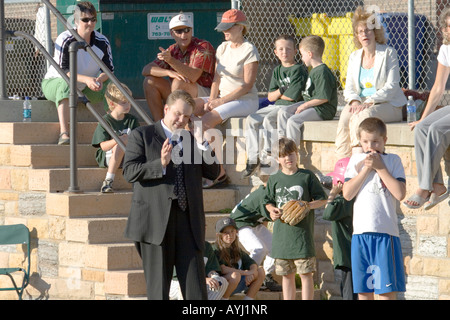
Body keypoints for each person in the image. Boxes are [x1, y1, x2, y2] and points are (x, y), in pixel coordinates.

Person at [122, 90, 220, 300]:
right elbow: (129, 171)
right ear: (166, 109)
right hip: (156, 223)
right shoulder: (143, 135)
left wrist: (202, 142)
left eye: (186, 116)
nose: (181, 120)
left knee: (196, 291)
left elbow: (213, 173)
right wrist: (161, 164)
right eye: (177, 114)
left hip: (188, 222)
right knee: (159, 292)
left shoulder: (191, 139)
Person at [194, 9, 260, 188]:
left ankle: (215, 172)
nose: (224, 31)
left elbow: (247, 85)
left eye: (228, 27)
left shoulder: (249, 49)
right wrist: (210, 101)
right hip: (223, 98)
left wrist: (220, 102)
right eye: (223, 27)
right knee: (188, 108)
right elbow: (216, 79)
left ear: (240, 27)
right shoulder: (222, 48)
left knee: (205, 122)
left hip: (245, 100)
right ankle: (208, 168)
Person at [343, 117, 406, 300]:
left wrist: (380, 168)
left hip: (385, 234)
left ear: (384, 140)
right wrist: (365, 169)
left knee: (385, 291)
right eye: (365, 142)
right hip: (361, 235)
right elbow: (347, 194)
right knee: (364, 291)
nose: (370, 146)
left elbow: (400, 193)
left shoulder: (393, 161)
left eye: (375, 141)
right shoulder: (356, 161)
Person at [335, 6, 406, 159]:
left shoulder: (388, 53)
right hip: (360, 103)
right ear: (357, 35)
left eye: (368, 30)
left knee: (362, 117)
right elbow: (349, 88)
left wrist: (369, 101)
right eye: (360, 31)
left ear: (375, 32)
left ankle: (357, 158)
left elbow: (392, 86)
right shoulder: (354, 56)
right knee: (344, 117)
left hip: (388, 105)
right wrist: (354, 101)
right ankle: (341, 164)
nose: (364, 34)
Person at [42, 1, 114, 145]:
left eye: (93, 19)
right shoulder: (65, 39)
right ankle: (64, 133)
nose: (90, 23)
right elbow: (63, 71)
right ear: (75, 21)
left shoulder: (102, 41)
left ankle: (113, 130)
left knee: (112, 86)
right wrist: (87, 79)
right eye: (85, 20)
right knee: (66, 82)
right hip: (54, 83)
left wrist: (99, 79)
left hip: (85, 87)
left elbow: (109, 70)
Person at [264, 137, 327, 300]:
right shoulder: (274, 178)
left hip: (302, 238)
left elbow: (322, 199)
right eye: (283, 155)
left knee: (306, 275)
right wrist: (272, 211)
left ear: (296, 154)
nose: (288, 158)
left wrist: (307, 206)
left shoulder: (306, 176)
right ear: (277, 159)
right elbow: (268, 201)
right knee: (287, 276)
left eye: (291, 154)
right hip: (281, 238)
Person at [403, 7, 450, 210]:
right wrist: (423, 118)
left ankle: (424, 188)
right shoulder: (446, 49)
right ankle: (438, 186)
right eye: (448, 25)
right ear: (444, 29)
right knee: (423, 128)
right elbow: (438, 88)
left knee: (437, 130)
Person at [242, 35, 308, 178]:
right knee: (252, 119)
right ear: (275, 52)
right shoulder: (277, 70)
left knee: (269, 120)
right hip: (276, 105)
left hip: (290, 106)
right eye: (281, 49)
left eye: (288, 49)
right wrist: (281, 91)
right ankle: (252, 159)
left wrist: (278, 94)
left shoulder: (298, 69)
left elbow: (292, 97)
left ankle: (270, 156)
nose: (284, 52)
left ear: (295, 51)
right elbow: (270, 96)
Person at [141, 13, 215, 121]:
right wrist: (168, 72)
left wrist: (171, 61)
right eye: (179, 31)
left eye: (186, 30)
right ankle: (160, 127)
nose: (183, 35)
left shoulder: (202, 46)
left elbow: (193, 76)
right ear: (172, 33)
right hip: (179, 92)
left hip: (205, 94)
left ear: (191, 31)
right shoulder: (172, 49)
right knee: (149, 81)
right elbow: (146, 70)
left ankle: (178, 122)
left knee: (178, 82)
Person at [277, 35, 337, 147]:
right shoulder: (314, 70)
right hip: (312, 106)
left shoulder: (322, 71)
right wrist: (304, 105)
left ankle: (291, 151)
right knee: (283, 112)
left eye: (302, 55)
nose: (302, 58)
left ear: (310, 54)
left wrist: (304, 106)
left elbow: (323, 98)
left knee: (293, 121)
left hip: (322, 110)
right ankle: (282, 145)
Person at [229, 182, 282, 291]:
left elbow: (265, 220)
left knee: (275, 246)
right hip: (240, 221)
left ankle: (266, 277)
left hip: (254, 222)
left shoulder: (272, 193)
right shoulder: (264, 195)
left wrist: (265, 235)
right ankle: (245, 280)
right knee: (259, 248)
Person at [91, 82, 140, 193]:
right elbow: (103, 146)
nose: (128, 105)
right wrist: (119, 140)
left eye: (129, 101)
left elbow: (139, 142)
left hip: (127, 155)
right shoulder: (105, 121)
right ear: (112, 104)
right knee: (119, 145)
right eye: (124, 102)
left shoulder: (132, 120)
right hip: (107, 155)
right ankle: (108, 180)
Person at [322, 157, 357, 300]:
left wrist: (332, 194)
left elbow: (327, 213)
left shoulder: (343, 200)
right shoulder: (353, 197)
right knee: (349, 288)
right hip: (351, 252)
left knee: (349, 291)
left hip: (347, 254)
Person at [213, 217, 265, 300]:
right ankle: (224, 299)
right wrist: (245, 273)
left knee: (260, 271)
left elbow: (252, 263)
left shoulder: (236, 249)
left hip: (237, 284)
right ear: (218, 235)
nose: (230, 235)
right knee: (235, 275)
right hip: (221, 286)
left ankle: (248, 299)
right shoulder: (215, 249)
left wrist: (252, 272)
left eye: (232, 231)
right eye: (226, 233)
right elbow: (223, 269)